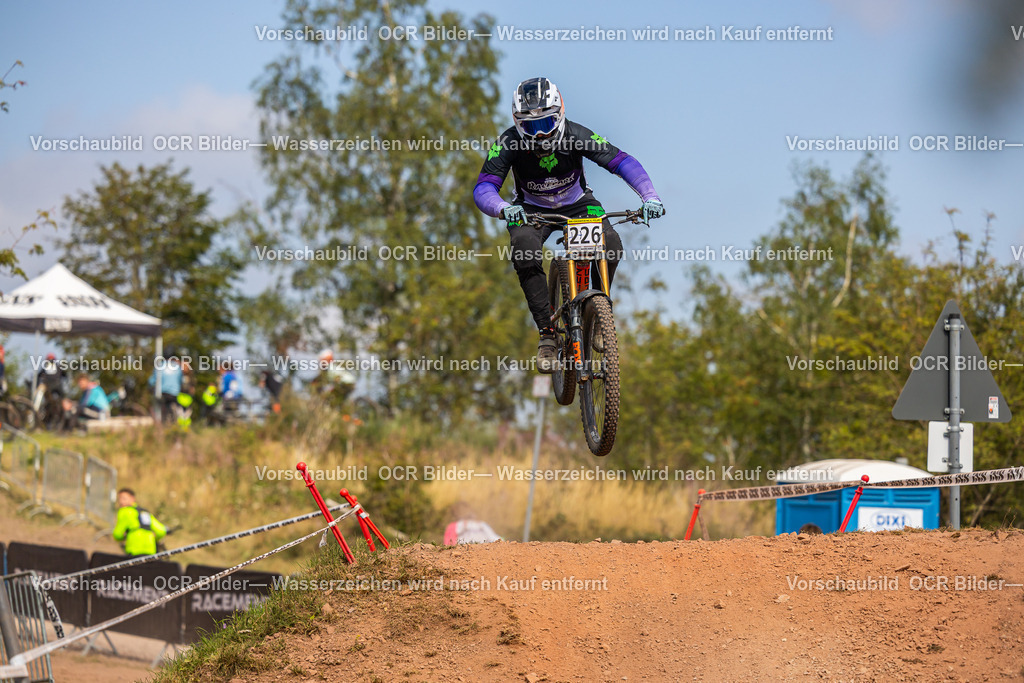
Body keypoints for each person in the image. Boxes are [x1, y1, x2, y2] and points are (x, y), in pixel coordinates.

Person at [473, 77, 665, 372]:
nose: (539, 134)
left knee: (611, 244)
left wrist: (649, 196)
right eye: (530, 127)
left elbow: (621, 160)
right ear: (517, 122)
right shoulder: (509, 142)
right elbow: (484, 187)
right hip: (530, 209)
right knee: (524, 250)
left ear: (560, 113)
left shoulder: (577, 134)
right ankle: (547, 336)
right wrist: (502, 208)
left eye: (546, 124)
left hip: (578, 204)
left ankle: (599, 310)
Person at [112, 488, 167, 556]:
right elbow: (161, 530)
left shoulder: (124, 511)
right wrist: (155, 538)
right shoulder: (144, 512)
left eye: (124, 498)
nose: (121, 501)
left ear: (132, 498)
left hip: (134, 550)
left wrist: (124, 537)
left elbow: (117, 534)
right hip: (151, 551)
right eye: (119, 499)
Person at [149, 353, 183, 423]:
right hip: (175, 393)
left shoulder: (160, 366)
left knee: (159, 407)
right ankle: (172, 423)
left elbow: (152, 380)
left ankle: (161, 423)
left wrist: (150, 386)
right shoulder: (177, 367)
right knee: (172, 410)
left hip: (163, 392)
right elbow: (180, 380)